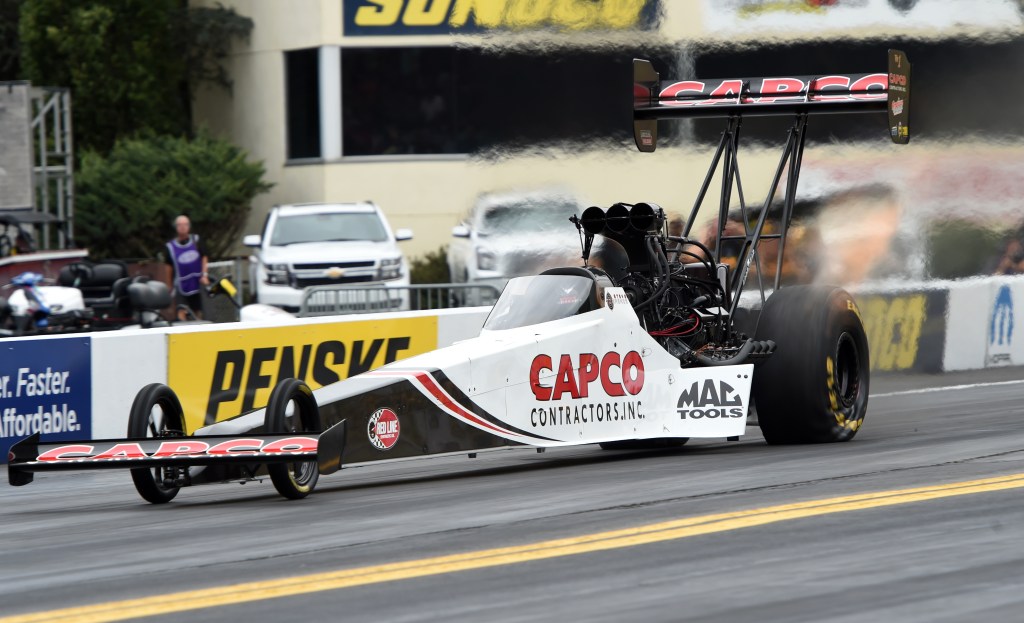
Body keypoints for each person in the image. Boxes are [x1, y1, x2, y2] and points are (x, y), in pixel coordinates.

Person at [165, 215, 209, 320]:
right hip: (181, 283)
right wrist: (169, 285)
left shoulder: (196, 240)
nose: (183, 227)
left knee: (198, 309)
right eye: (180, 225)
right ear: (176, 227)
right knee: (181, 309)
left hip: (197, 281)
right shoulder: (170, 247)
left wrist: (205, 275)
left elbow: (204, 257)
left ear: (189, 226)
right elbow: (168, 267)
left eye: (185, 224)